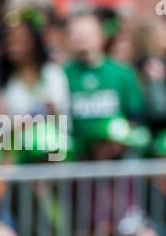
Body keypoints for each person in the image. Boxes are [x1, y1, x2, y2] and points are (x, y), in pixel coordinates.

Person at [62, 12, 146, 144]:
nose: (81, 38)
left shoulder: (122, 73)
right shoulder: (61, 75)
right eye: (76, 33)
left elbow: (135, 116)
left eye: (87, 33)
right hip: (78, 155)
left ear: (101, 36)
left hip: (116, 154)